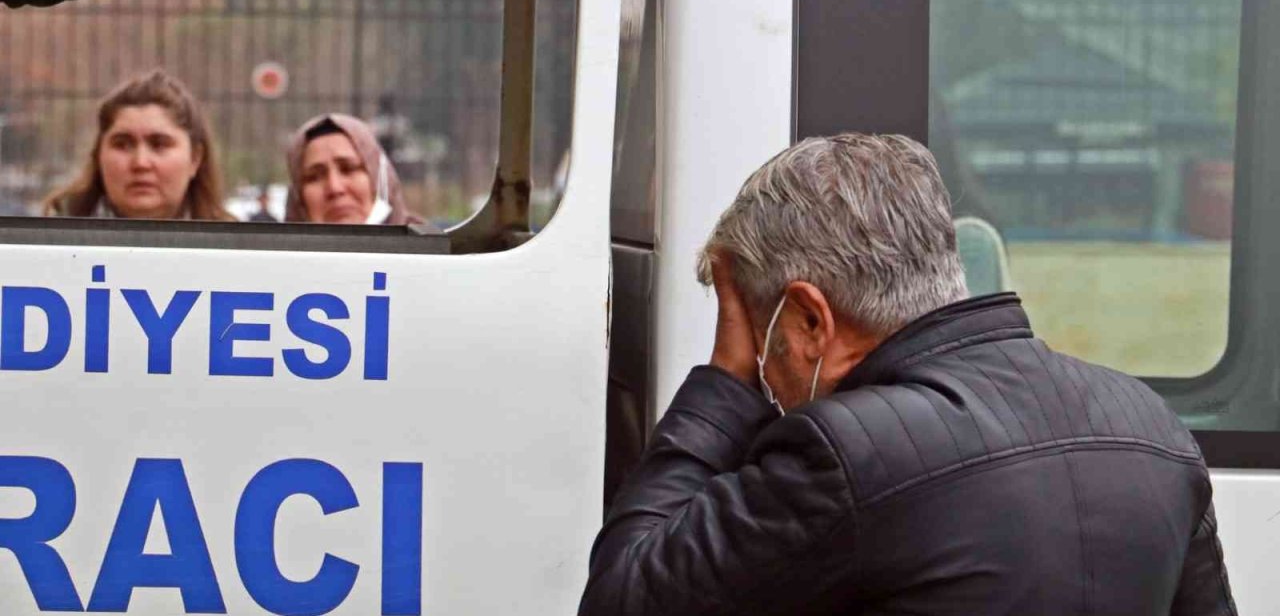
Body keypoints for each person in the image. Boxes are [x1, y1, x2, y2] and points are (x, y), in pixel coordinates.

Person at [579, 133, 1235, 615]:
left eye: (759, 342)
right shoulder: (1150, 425)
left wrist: (724, 383)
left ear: (809, 320)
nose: (763, 376)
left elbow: (622, 599)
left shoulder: (842, 456)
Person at [42, 70, 233, 221]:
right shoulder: (49, 246)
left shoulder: (238, 251)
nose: (140, 163)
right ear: (98, 155)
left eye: (159, 145)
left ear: (195, 159)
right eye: (122, 145)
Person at [284, 113, 423, 225]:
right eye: (314, 177)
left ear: (379, 177)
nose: (335, 188)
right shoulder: (276, 252)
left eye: (348, 169)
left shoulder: (429, 249)